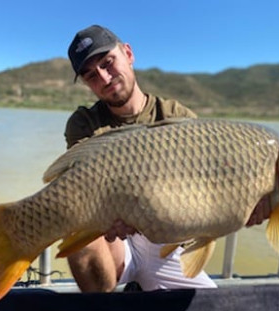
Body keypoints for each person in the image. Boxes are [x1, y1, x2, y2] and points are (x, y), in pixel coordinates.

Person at [64, 24, 217, 292]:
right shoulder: (84, 123)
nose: (104, 77)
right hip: (113, 241)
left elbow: (202, 195)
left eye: (107, 62)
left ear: (128, 54)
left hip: (164, 244)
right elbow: (83, 193)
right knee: (79, 234)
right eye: (91, 75)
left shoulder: (177, 117)